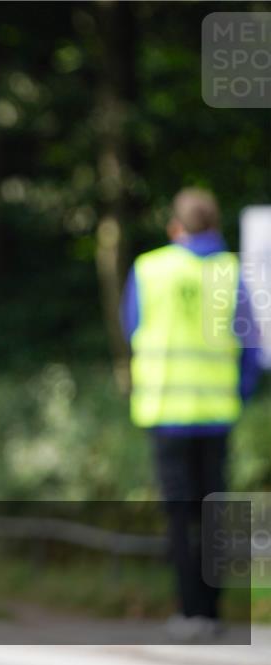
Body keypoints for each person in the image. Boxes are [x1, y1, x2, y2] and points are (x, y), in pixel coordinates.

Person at [121, 187, 262, 642]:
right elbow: (251, 349)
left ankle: (188, 612)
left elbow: (131, 328)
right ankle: (212, 611)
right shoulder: (230, 271)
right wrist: (237, 394)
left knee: (180, 516)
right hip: (217, 414)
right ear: (216, 224)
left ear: (174, 227)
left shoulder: (150, 269)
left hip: (167, 414)